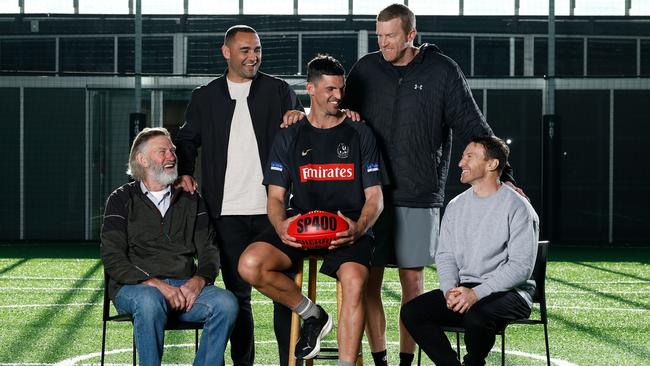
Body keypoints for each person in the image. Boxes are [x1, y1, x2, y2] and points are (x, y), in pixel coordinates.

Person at [341, 4, 523, 365]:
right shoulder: (365, 68)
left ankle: (407, 362)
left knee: (413, 284)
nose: (383, 43)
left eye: (390, 36)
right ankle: (380, 361)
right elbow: (338, 114)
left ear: (411, 35)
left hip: (418, 192)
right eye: (379, 35)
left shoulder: (442, 71)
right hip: (369, 194)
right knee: (369, 283)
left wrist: (507, 175)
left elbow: (474, 126)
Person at [237, 55, 385, 366]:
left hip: (347, 228)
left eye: (341, 89)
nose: (338, 96)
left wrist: (358, 227)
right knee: (250, 265)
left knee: (356, 282)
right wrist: (280, 227)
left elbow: (375, 197)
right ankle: (312, 315)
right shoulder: (289, 135)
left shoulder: (360, 133)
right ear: (311, 89)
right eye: (330, 89)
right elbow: (275, 197)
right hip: (302, 224)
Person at [175, 25, 305, 366]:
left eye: (258, 50)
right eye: (246, 50)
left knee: (283, 294)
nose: (253, 56)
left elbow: (306, 130)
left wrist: (300, 115)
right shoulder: (204, 97)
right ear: (227, 52)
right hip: (226, 213)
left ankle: (287, 362)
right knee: (237, 298)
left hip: (274, 213)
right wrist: (185, 171)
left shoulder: (278, 91)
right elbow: (187, 140)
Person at [100, 127, 238, 366]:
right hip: (136, 288)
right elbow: (113, 257)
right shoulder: (120, 199)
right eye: (162, 151)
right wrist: (157, 285)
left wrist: (198, 281)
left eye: (172, 150)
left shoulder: (191, 198)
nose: (171, 156)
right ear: (142, 160)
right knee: (149, 301)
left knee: (226, 303)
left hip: (184, 288)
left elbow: (209, 250)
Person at [401, 136, 539, 366]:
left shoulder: (518, 207)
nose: (460, 163)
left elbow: (520, 268)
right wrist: (449, 290)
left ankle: (474, 363)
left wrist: (476, 294)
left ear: (491, 164)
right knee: (413, 312)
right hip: (467, 289)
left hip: (512, 293)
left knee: (477, 315)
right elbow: (445, 255)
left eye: (469, 156)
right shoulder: (456, 206)